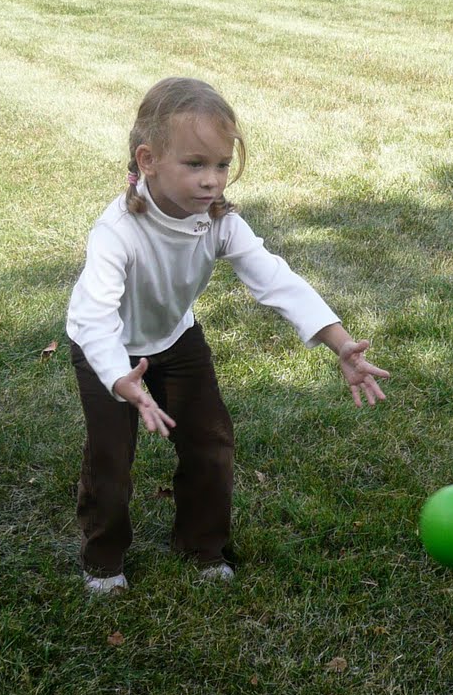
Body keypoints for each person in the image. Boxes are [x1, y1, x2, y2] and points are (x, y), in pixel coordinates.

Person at [66, 77, 390, 595]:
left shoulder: (218, 221)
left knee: (211, 444)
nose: (212, 181)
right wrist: (118, 377)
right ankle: (103, 559)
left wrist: (338, 341)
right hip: (109, 353)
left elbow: (275, 278)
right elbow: (93, 317)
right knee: (111, 459)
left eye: (220, 165)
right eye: (195, 165)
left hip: (177, 341)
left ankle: (202, 545)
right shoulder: (117, 233)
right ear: (147, 160)